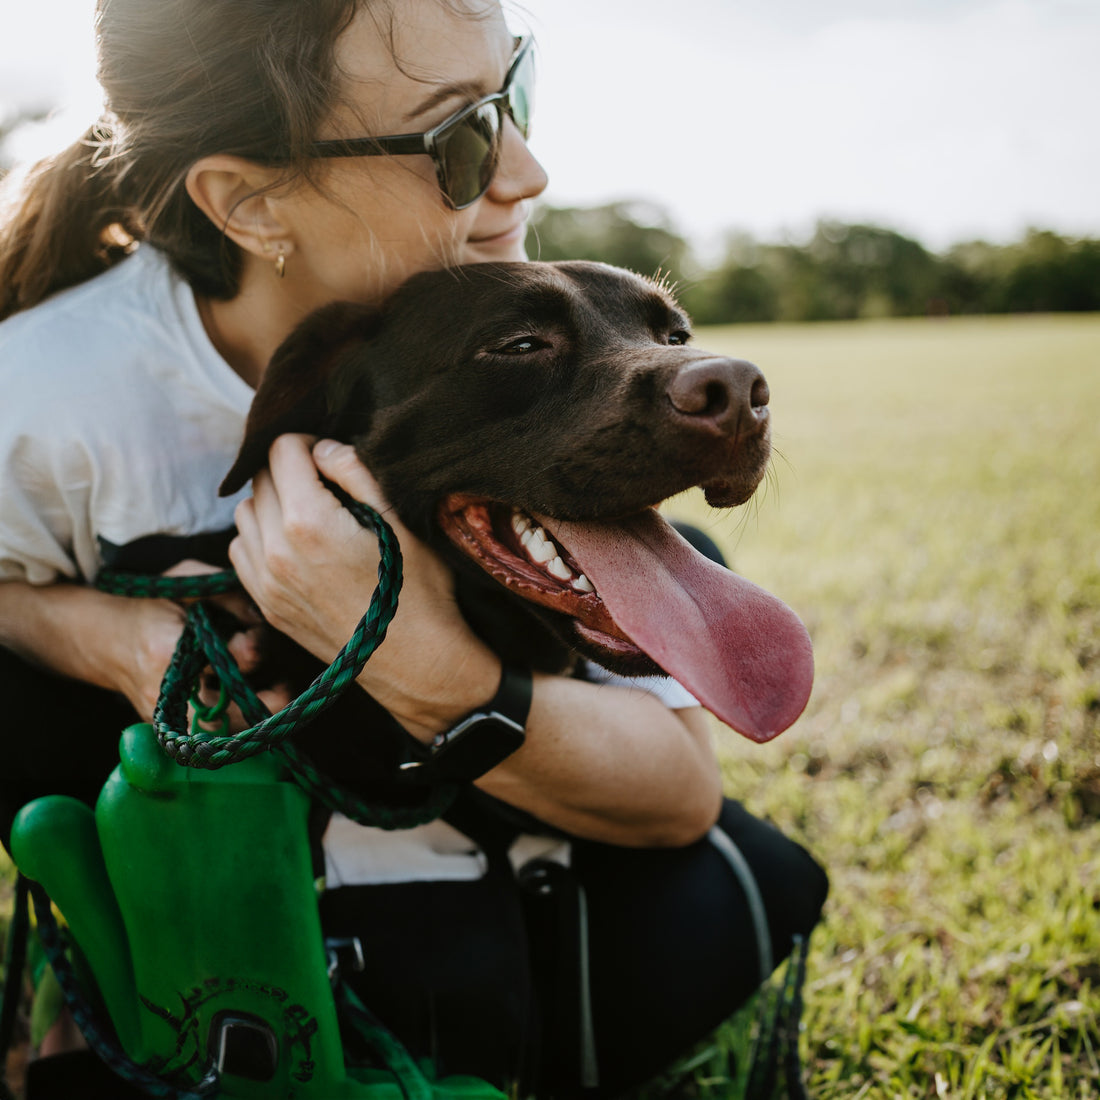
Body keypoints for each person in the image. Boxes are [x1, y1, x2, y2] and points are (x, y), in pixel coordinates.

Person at [0, 1, 829, 1096]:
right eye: (460, 138)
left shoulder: (505, 373)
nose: (526, 171)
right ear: (248, 201)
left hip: (494, 869)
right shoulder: (45, 396)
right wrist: (112, 635)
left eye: (513, 93)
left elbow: (677, 797)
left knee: (690, 898)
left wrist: (415, 658)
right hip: (196, 843)